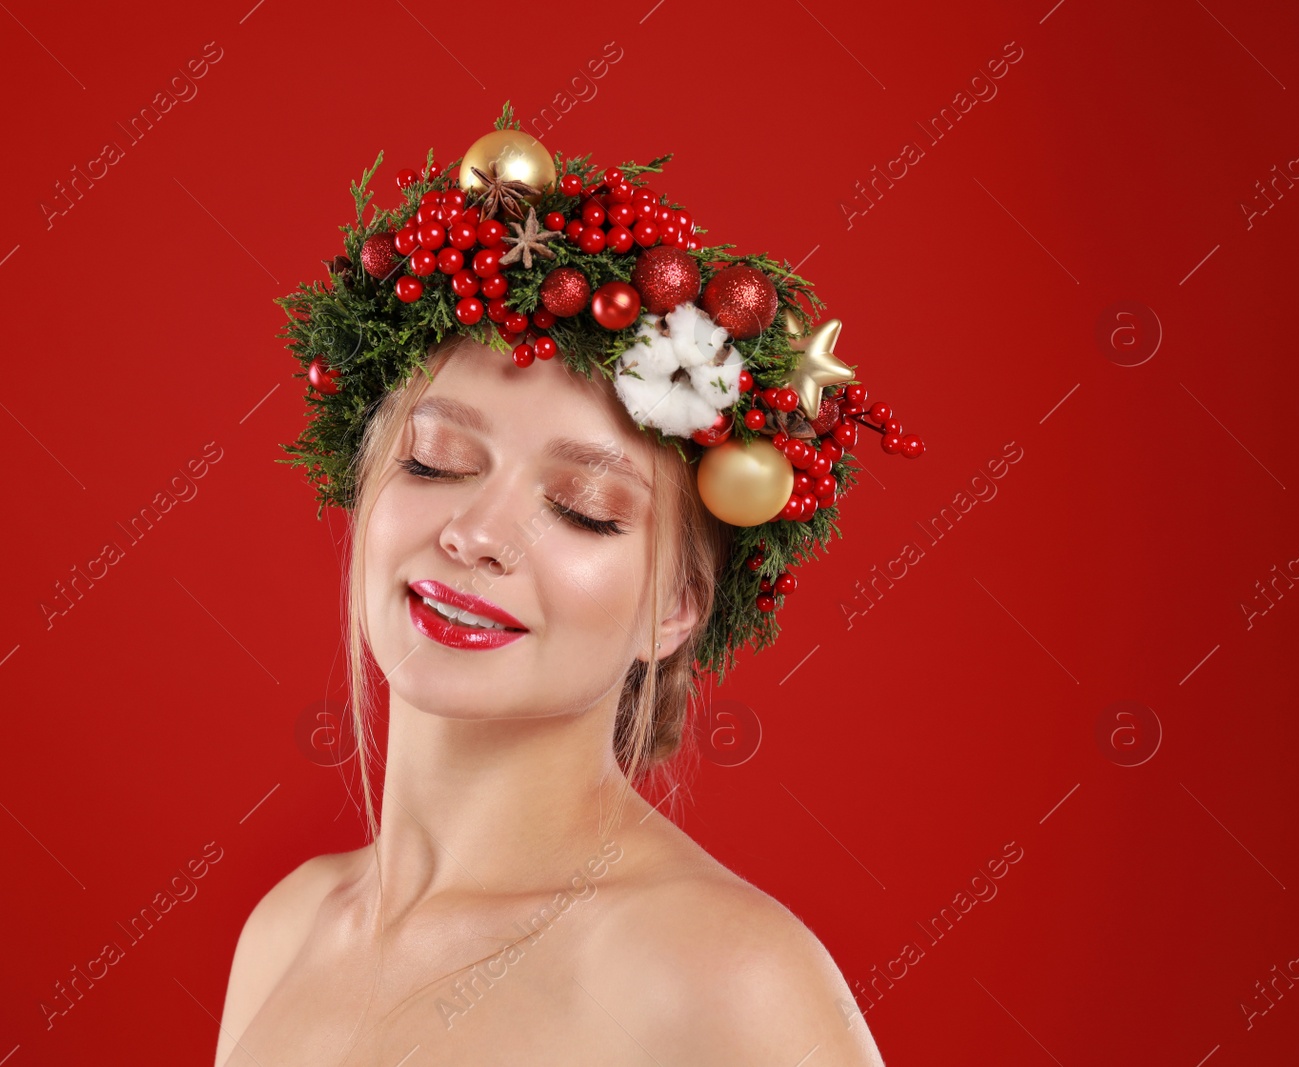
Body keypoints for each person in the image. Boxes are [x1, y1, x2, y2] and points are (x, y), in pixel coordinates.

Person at [214, 107, 920, 1064]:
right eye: (433, 461)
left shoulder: (729, 978)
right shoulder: (286, 929)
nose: (474, 535)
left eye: (585, 508)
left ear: (674, 608)